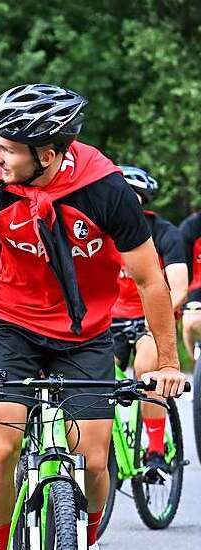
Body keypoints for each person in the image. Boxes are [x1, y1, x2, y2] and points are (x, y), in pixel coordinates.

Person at [0, 83, 186, 550]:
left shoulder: (105, 189)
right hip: (10, 324)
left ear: (47, 153)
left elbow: (149, 279)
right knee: (1, 444)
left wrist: (167, 362)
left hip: (86, 332)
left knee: (94, 457)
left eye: (8, 149)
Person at [111, 165, 188, 477]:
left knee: (146, 369)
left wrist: (152, 317)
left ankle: (155, 450)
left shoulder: (164, 232)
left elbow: (179, 287)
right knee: (93, 375)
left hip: (148, 318)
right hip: (109, 319)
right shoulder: (99, 230)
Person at [179, 209, 201, 353]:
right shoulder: (191, 227)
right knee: (190, 321)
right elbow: (183, 268)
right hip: (197, 286)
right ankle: (196, 362)